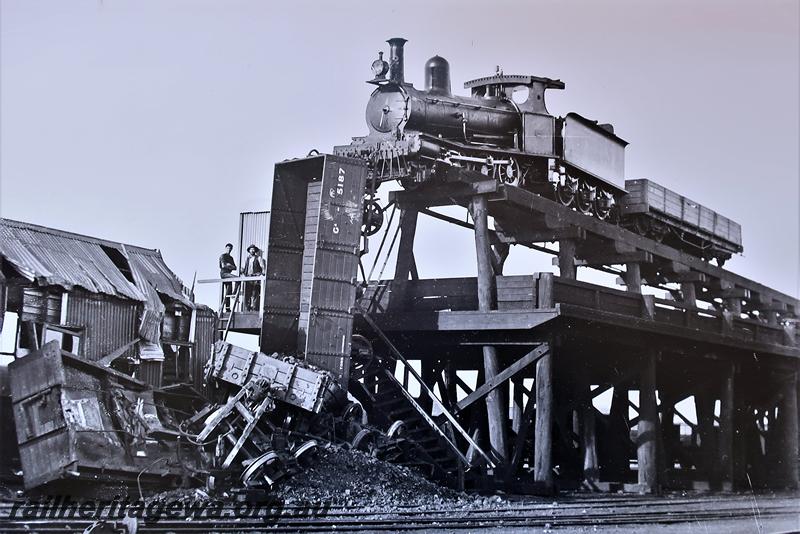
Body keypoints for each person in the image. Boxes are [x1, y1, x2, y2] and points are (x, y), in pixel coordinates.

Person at [241, 244, 265, 311]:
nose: (252, 250)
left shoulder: (259, 258)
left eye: (253, 249)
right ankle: (247, 308)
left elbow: (263, 267)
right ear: (249, 250)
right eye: (251, 249)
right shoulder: (247, 259)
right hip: (248, 278)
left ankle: (255, 308)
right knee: (247, 294)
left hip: (255, 278)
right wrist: (242, 271)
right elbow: (244, 268)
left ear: (255, 250)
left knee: (255, 293)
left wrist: (261, 274)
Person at [218, 243, 237, 311]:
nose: (229, 250)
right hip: (224, 274)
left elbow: (235, 268)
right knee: (238, 279)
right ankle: (233, 294)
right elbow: (223, 266)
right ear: (225, 248)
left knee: (228, 291)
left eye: (230, 249)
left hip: (229, 275)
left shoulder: (231, 258)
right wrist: (229, 266)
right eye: (228, 248)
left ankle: (227, 308)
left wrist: (229, 265)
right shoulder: (223, 256)